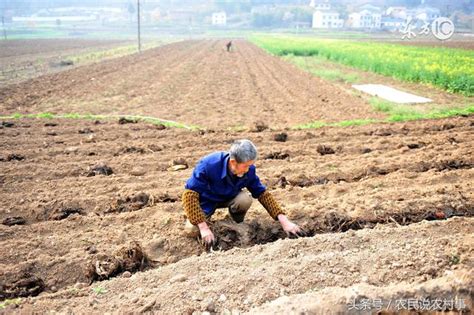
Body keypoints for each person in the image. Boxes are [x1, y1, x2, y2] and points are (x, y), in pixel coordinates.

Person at [182, 139, 306, 249]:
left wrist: (284, 221)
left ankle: (236, 223)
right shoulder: (208, 165)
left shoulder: (249, 170)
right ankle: (207, 224)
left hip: (229, 197)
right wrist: (204, 228)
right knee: (191, 230)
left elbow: (262, 194)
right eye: (245, 166)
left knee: (245, 199)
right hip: (206, 201)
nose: (247, 169)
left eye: (250, 165)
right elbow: (189, 195)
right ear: (232, 162)